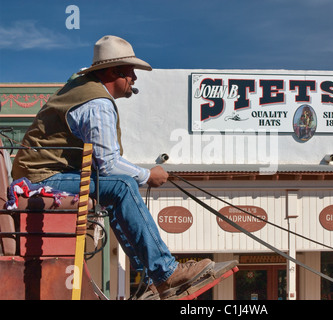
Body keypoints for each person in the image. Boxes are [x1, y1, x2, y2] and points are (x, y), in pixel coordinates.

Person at [11, 35, 215, 299]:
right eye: (130, 71)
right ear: (113, 72)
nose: (135, 78)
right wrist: (148, 175)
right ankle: (165, 273)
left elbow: (102, 162)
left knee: (119, 187)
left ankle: (154, 275)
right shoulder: (97, 103)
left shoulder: (84, 90)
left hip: (42, 175)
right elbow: (107, 165)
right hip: (41, 181)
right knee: (122, 186)